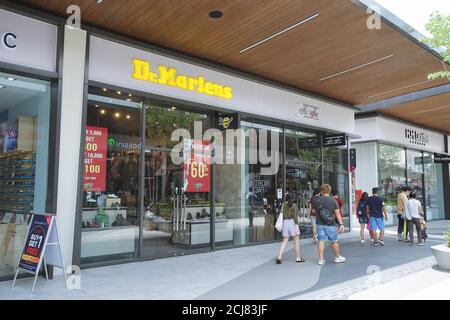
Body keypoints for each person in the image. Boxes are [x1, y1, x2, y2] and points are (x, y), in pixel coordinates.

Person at [313, 184, 346, 266]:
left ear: (321, 191)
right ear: (329, 191)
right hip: (330, 223)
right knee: (334, 241)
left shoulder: (317, 200)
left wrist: (320, 213)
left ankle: (321, 259)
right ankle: (337, 257)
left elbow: (313, 211)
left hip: (319, 223)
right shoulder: (333, 200)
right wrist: (341, 224)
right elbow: (337, 213)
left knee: (321, 240)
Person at [276, 195, 305, 264]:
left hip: (285, 223)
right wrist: (297, 226)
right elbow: (295, 217)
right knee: (296, 241)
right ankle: (298, 258)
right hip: (292, 223)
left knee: (284, 241)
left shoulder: (284, 205)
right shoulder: (294, 206)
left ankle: (279, 257)